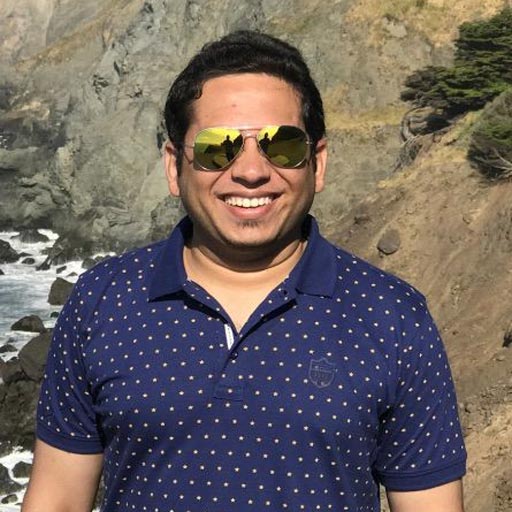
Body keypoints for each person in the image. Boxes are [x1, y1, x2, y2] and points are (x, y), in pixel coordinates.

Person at [22, 30, 466, 512]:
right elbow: (57, 500)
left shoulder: (393, 317)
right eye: (218, 147)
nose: (251, 171)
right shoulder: (101, 300)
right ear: (174, 167)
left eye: (282, 145)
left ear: (317, 163)